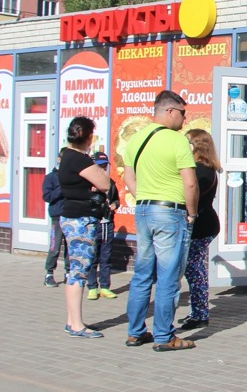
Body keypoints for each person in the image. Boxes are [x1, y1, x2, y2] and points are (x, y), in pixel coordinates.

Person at [123, 91, 199, 352]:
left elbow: (128, 178)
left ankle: (135, 332)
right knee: (168, 277)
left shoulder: (136, 139)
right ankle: (164, 336)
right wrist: (192, 212)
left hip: (144, 210)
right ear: (169, 112)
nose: (184, 118)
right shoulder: (176, 141)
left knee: (142, 275)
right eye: (182, 113)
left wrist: (143, 197)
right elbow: (189, 181)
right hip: (170, 212)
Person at [57, 116, 112, 339]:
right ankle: (77, 325)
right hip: (81, 220)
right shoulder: (79, 159)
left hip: (71, 216)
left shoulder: (66, 156)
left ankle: (72, 320)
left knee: (75, 271)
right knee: (80, 271)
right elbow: (105, 183)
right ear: (89, 137)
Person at [178, 129, 222, 330]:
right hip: (203, 224)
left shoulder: (201, 170)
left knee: (194, 268)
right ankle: (198, 312)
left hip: (202, 225)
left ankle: (200, 313)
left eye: (187, 143)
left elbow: (188, 193)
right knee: (193, 267)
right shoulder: (203, 168)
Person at [85, 151, 119, 301]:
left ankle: (105, 286)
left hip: (107, 224)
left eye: (105, 166)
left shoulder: (110, 182)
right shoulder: (87, 183)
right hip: (93, 224)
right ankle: (92, 287)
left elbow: (117, 200)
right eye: (100, 166)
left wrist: (114, 205)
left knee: (106, 258)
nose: (103, 169)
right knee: (92, 258)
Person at [41, 157, 66, 287]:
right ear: (58, 159)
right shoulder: (50, 177)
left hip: (71, 215)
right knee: (54, 246)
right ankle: (49, 274)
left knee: (70, 247)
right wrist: (61, 188)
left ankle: (68, 273)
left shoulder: (70, 176)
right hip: (57, 216)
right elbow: (47, 196)